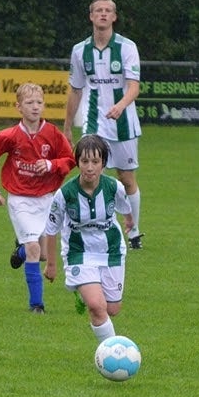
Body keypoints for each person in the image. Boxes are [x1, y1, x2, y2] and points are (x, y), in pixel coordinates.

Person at [0, 82, 76, 314]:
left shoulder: (53, 134)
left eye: (39, 102)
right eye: (29, 103)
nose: (35, 107)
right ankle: (36, 306)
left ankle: (20, 251)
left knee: (42, 254)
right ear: (19, 107)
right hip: (20, 199)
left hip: (47, 199)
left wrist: (51, 165)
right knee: (34, 248)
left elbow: (70, 160)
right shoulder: (8, 136)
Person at [64, 0, 145, 250]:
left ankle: (134, 231)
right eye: (98, 10)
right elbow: (76, 89)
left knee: (126, 179)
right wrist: (67, 126)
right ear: (91, 16)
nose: (103, 14)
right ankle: (92, 227)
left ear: (114, 17)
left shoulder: (127, 47)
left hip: (124, 124)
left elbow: (134, 86)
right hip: (94, 124)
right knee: (90, 174)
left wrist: (120, 106)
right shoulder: (80, 50)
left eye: (107, 11)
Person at [43, 135, 133, 342]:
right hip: (78, 252)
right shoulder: (65, 194)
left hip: (111, 250)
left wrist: (129, 221)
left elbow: (125, 208)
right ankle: (112, 351)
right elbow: (51, 229)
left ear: (103, 163)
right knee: (96, 306)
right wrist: (51, 265)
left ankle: (89, 294)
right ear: (77, 162)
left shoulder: (114, 187)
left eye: (95, 161)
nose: (90, 167)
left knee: (112, 309)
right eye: (84, 161)